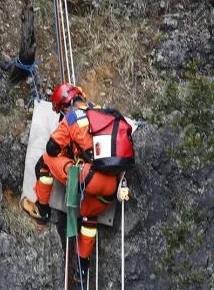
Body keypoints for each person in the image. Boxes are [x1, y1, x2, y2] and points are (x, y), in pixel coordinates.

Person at [24, 82, 133, 270]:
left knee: (46, 162)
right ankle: (82, 267)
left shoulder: (72, 117)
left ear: (65, 106)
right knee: (89, 218)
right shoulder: (100, 112)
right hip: (111, 187)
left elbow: (52, 148)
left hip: (90, 178)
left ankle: (41, 210)